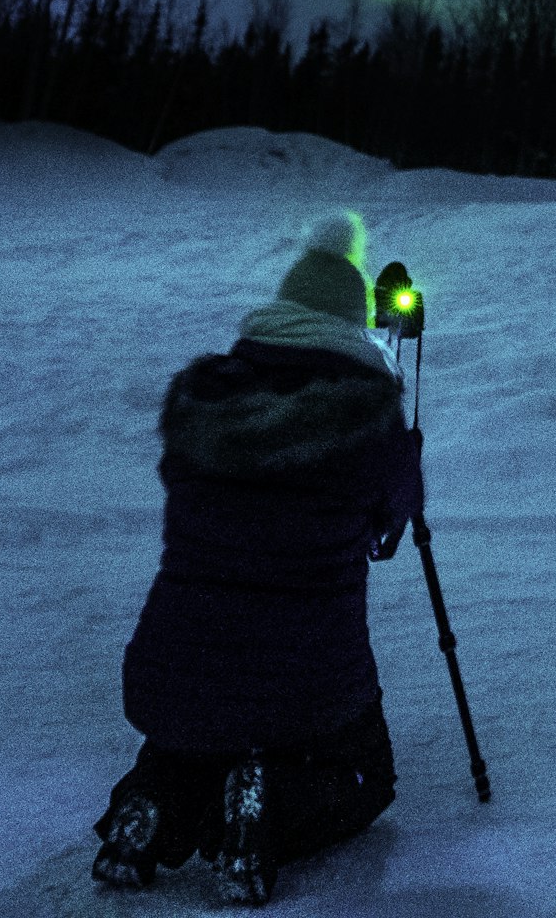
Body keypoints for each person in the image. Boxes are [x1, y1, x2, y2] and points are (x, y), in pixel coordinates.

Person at [93, 210, 427, 904]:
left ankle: (151, 806)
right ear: (347, 323)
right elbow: (390, 529)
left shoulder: (201, 401)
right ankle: (266, 804)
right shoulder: (367, 419)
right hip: (308, 688)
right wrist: (403, 450)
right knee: (368, 776)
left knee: (187, 747)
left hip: (171, 676)